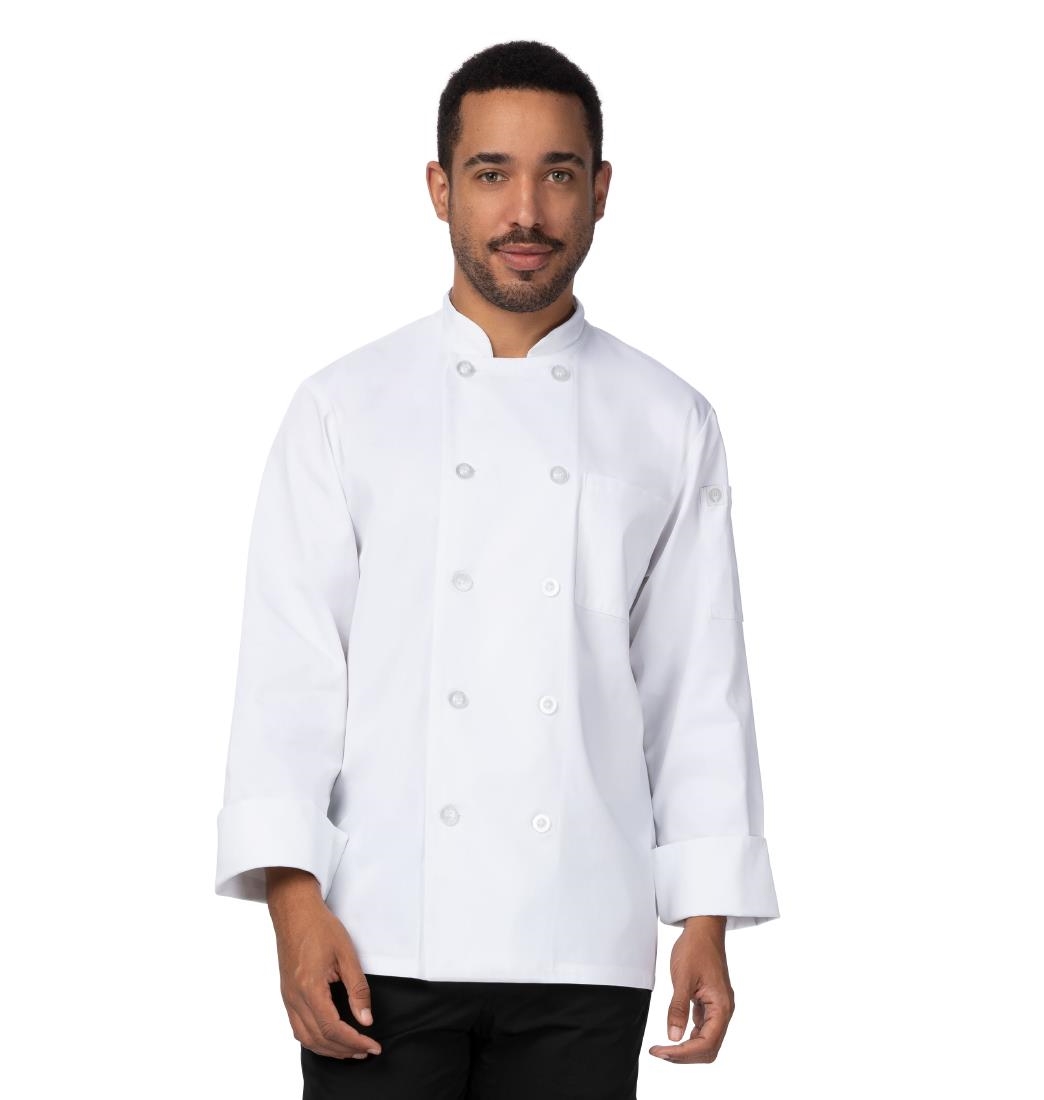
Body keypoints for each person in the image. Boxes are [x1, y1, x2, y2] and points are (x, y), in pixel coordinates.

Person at [214, 39, 780, 1099]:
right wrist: (293, 904)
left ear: (599, 190)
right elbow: (289, 675)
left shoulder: (669, 420)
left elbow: (696, 684)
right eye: (490, 173)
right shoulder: (343, 408)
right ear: (440, 189)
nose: (525, 212)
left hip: (585, 941)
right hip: (375, 932)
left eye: (557, 174)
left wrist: (703, 915)